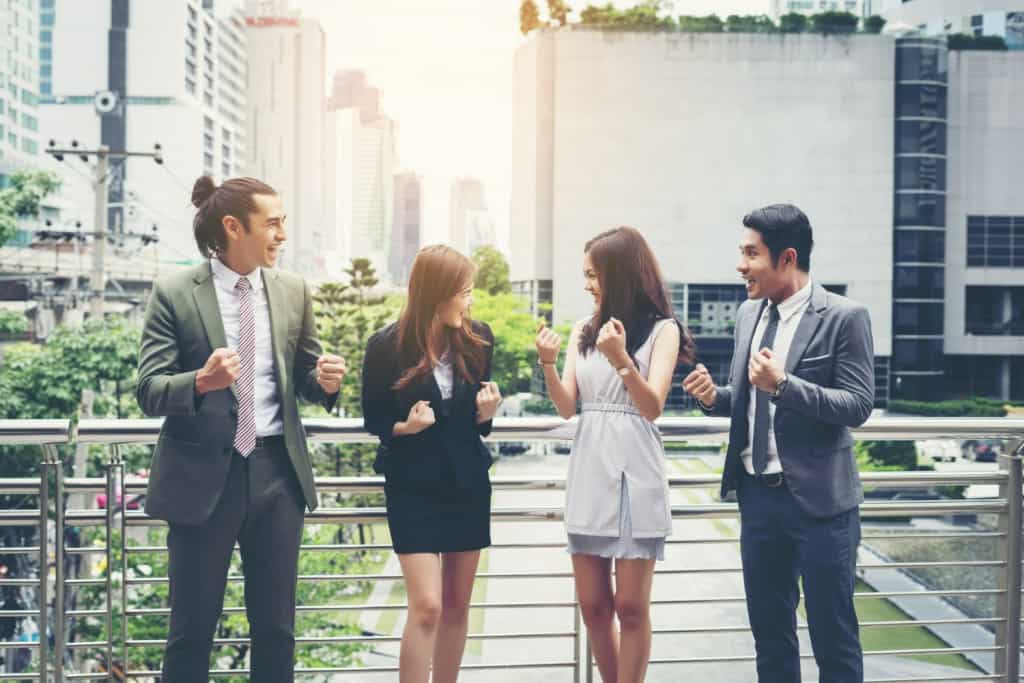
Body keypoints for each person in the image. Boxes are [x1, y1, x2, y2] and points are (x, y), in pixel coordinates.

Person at [136, 176, 346, 682]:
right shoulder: (174, 293)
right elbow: (148, 389)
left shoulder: (293, 289)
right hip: (203, 479)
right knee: (191, 631)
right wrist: (202, 382)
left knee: (276, 629)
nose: (281, 235)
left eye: (284, 223)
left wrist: (326, 381)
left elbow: (306, 379)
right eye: (272, 224)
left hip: (277, 475)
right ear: (234, 226)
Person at [682, 203, 875, 682]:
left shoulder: (845, 318)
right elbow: (748, 398)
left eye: (752, 253)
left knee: (834, 639)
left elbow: (857, 405)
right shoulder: (749, 313)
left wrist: (786, 384)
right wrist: (714, 397)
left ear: (787, 258)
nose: (740, 264)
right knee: (770, 637)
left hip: (822, 508)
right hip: (759, 500)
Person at [535, 226, 695, 683]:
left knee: (630, 605)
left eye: (594, 274)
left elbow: (652, 406)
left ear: (620, 274)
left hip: (635, 466)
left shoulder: (663, 330)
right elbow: (568, 406)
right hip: (590, 464)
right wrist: (547, 363)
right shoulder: (583, 330)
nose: (587, 284)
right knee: (593, 604)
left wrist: (623, 359)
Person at [361, 245, 502, 683]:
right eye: (463, 291)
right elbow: (374, 419)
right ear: (436, 294)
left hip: (467, 485)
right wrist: (405, 427)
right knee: (427, 605)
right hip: (412, 488)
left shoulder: (479, 338)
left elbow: (475, 425)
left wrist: (487, 415)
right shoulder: (385, 346)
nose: (470, 300)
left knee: (458, 606)